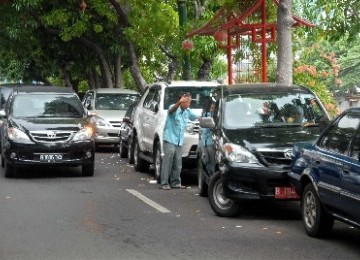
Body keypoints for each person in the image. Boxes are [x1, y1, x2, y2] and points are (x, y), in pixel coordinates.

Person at [159, 92, 197, 190]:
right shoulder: (174, 107)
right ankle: (164, 183)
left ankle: (175, 182)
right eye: (186, 101)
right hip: (170, 138)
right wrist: (178, 102)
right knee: (168, 161)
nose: (188, 104)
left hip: (179, 140)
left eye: (189, 101)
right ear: (181, 101)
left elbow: (196, 117)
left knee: (178, 162)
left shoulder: (187, 111)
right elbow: (171, 110)